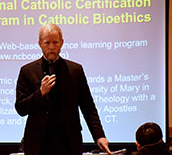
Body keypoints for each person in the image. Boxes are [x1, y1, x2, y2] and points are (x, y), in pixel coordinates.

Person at [15, 23, 111, 155]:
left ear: (62, 43)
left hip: (68, 143)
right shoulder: (27, 71)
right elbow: (20, 108)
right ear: (39, 43)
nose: (51, 47)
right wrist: (40, 93)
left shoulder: (75, 70)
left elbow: (88, 107)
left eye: (55, 42)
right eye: (47, 43)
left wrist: (99, 135)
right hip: (38, 144)